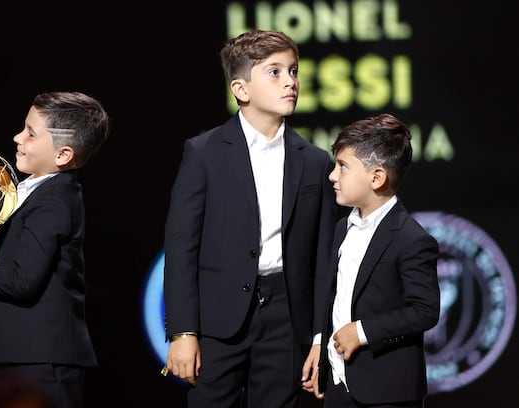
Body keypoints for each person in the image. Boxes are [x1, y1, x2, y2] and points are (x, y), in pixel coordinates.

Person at [162, 29, 338, 407]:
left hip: (287, 316)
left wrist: (319, 337)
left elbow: (323, 257)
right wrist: (182, 331)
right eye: (274, 72)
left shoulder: (314, 161)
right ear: (240, 89)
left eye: (293, 70)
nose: (290, 81)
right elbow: (181, 247)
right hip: (217, 318)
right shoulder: (204, 152)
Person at [0, 91, 110, 408]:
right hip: (20, 353)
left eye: (30, 133)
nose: (17, 138)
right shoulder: (32, 190)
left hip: (40, 360)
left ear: (63, 155)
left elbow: (22, 280)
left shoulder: (55, 201)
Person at [304, 113, 440, 407]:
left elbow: (425, 310)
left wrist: (363, 332)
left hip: (386, 391)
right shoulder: (342, 228)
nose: (332, 176)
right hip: (338, 386)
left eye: (342, 167)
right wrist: (319, 341)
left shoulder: (410, 239)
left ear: (376, 177)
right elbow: (333, 296)